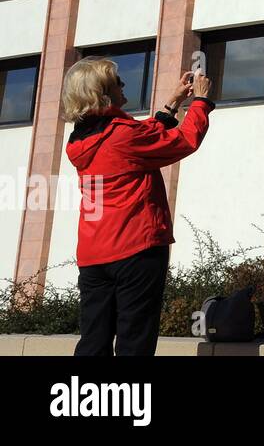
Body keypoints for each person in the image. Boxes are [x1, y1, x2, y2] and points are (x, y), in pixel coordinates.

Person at [61, 58, 215, 356]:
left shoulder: (80, 138)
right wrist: (201, 101)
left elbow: (141, 135)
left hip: (94, 255)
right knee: (135, 341)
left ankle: (87, 401)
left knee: (93, 341)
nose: (124, 84)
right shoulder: (122, 135)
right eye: (117, 81)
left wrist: (171, 104)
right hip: (136, 250)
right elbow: (183, 141)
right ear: (103, 93)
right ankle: (128, 402)